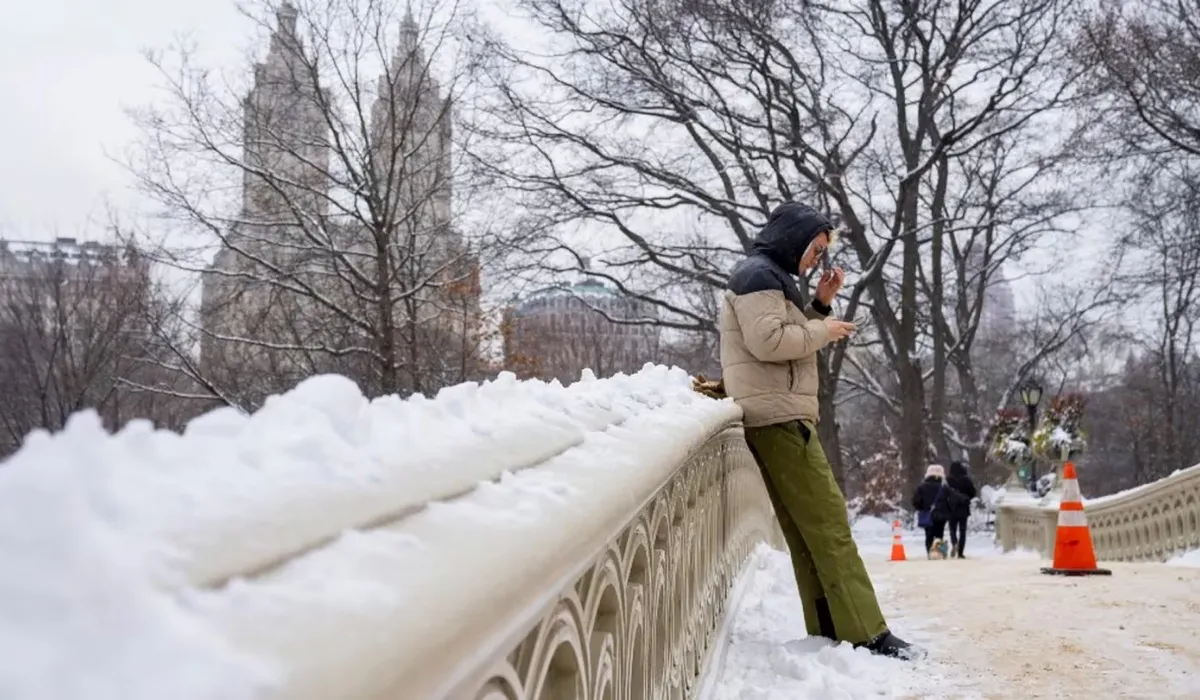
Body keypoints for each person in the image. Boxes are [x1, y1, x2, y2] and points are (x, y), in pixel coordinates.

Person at [718, 201, 918, 660]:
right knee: (829, 525)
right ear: (796, 237)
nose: (817, 259)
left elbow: (782, 331)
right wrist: (824, 329)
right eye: (816, 247)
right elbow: (769, 342)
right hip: (780, 420)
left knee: (809, 530)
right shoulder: (758, 276)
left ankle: (831, 625)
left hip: (777, 417)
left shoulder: (765, 275)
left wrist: (818, 306)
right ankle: (868, 633)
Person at [911, 465, 955, 559]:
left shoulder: (921, 487)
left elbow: (916, 501)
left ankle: (929, 553)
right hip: (941, 515)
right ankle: (939, 552)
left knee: (928, 535)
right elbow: (951, 501)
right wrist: (948, 512)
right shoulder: (944, 488)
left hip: (927, 514)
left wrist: (922, 508)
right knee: (939, 533)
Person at [945, 460, 977, 558]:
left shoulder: (948, 480)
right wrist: (966, 498)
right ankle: (960, 552)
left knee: (952, 529)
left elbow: (944, 493)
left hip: (952, 508)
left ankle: (954, 542)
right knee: (962, 531)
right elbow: (973, 493)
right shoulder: (966, 480)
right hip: (963, 508)